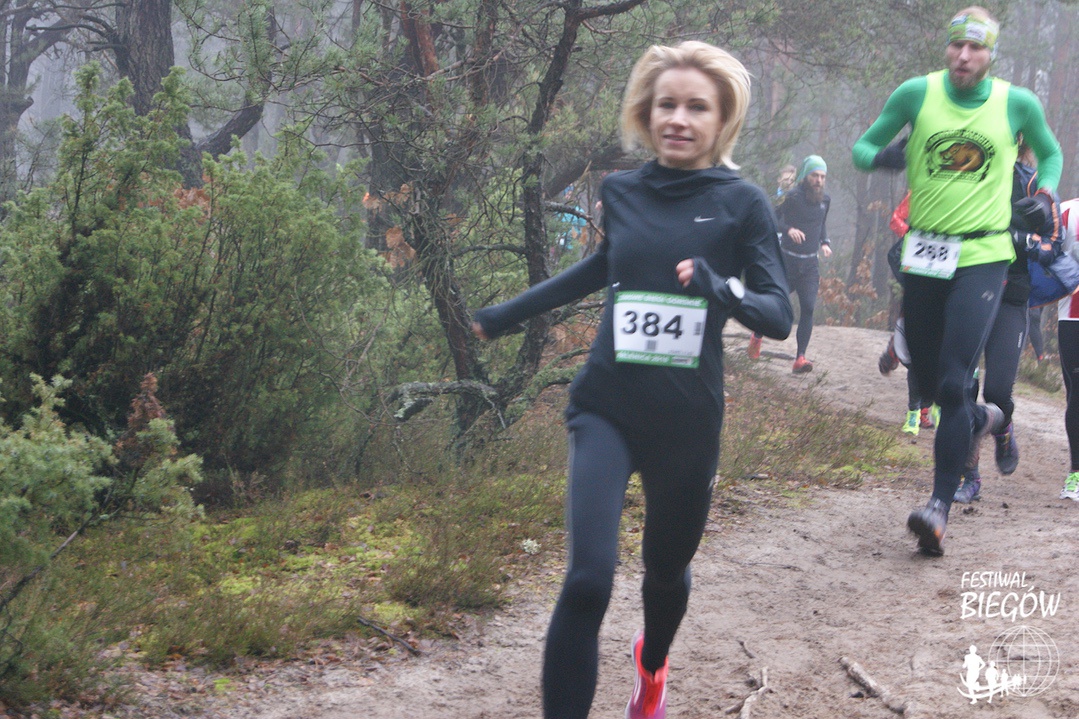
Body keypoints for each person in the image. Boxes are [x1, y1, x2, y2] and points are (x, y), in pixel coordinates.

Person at [471, 40, 792, 719]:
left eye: (696, 107)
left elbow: (778, 313)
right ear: (645, 113)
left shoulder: (742, 204)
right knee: (587, 579)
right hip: (606, 406)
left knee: (664, 573)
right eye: (665, 104)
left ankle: (651, 667)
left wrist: (719, 286)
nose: (678, 118)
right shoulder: (620, 191)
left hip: (687, 421)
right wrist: (506, 314)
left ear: (722, 120)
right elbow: (601, 267)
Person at [852, 6, 1063, 555]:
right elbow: (861, 148)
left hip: (985, 254)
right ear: (947, 48)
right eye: (956, 46)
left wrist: (1045, 194)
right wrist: (884, 156)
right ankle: (989, 419)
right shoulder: (915, 94)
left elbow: (1051, 152)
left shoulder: (1015, 103)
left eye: (976, 48)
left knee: (952, 383)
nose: (964, 57)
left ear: (991, 54)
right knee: (929, 384)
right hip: (925, 252)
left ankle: (938, 508)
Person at [747, 155, 832, 372]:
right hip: (787, 262)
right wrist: (788, 229)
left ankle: (800, 358)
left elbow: (821, 223)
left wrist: (825, 242)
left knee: (808, 308)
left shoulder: (825, 200)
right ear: (805, 175)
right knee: (775, 303)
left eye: (822, 177)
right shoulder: (792, 197)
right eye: (815, 175)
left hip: (810, 265)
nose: (819, 181)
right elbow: (772, 219)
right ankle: (757, 335)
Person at [1057, 198, 1079, 501]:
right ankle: (1076, 472)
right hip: (1074, 316)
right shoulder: (1067, 212)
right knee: (1076, 393)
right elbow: (1048, 258)